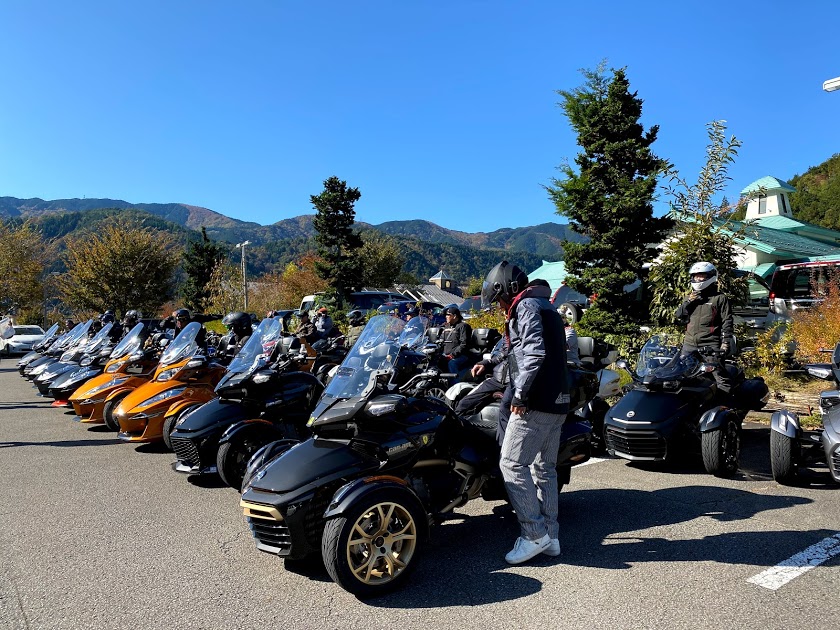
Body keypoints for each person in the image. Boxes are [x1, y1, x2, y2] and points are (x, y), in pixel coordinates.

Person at [482, 261, 570, 565]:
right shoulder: (546, 306)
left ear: (508, 290)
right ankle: (551, 537)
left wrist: (520, 394)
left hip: (535, 401)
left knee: (511, 464)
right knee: (544, 468)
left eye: (500, 300)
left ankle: (533, 534)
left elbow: (533, 353)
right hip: (558, 399)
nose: (500, 306)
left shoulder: (525, 307)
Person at [675, 261, 734, 393]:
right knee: (684, 375)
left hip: (710, 344)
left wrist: (725, 342)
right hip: (689, 343)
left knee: (720, 377)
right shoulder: (690, 297)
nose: (698, 279)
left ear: (710, 277)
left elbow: (727, 321)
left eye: (702, 276)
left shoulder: (719, 298)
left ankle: (725, 403)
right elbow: (679, 316)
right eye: (696, 276)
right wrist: (688, 302)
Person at [455, 337, 510, 417]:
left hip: (515, 383)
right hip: (497, 379)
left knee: (505, 409)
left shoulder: (527, 333)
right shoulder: (509, 332)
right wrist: (486, 363)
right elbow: (501, 356)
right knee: (464, 404)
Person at [439, 306, 472, 375]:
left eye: (448, 315)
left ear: (454, 316)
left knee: (452, 363)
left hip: (460, 356)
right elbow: (440, 341)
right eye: (446, 315)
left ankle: (455, 381)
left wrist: (452, 355)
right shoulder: (446, 327)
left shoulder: (463, 326)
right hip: (445, 355)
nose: (446, 316)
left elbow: (464, 344)